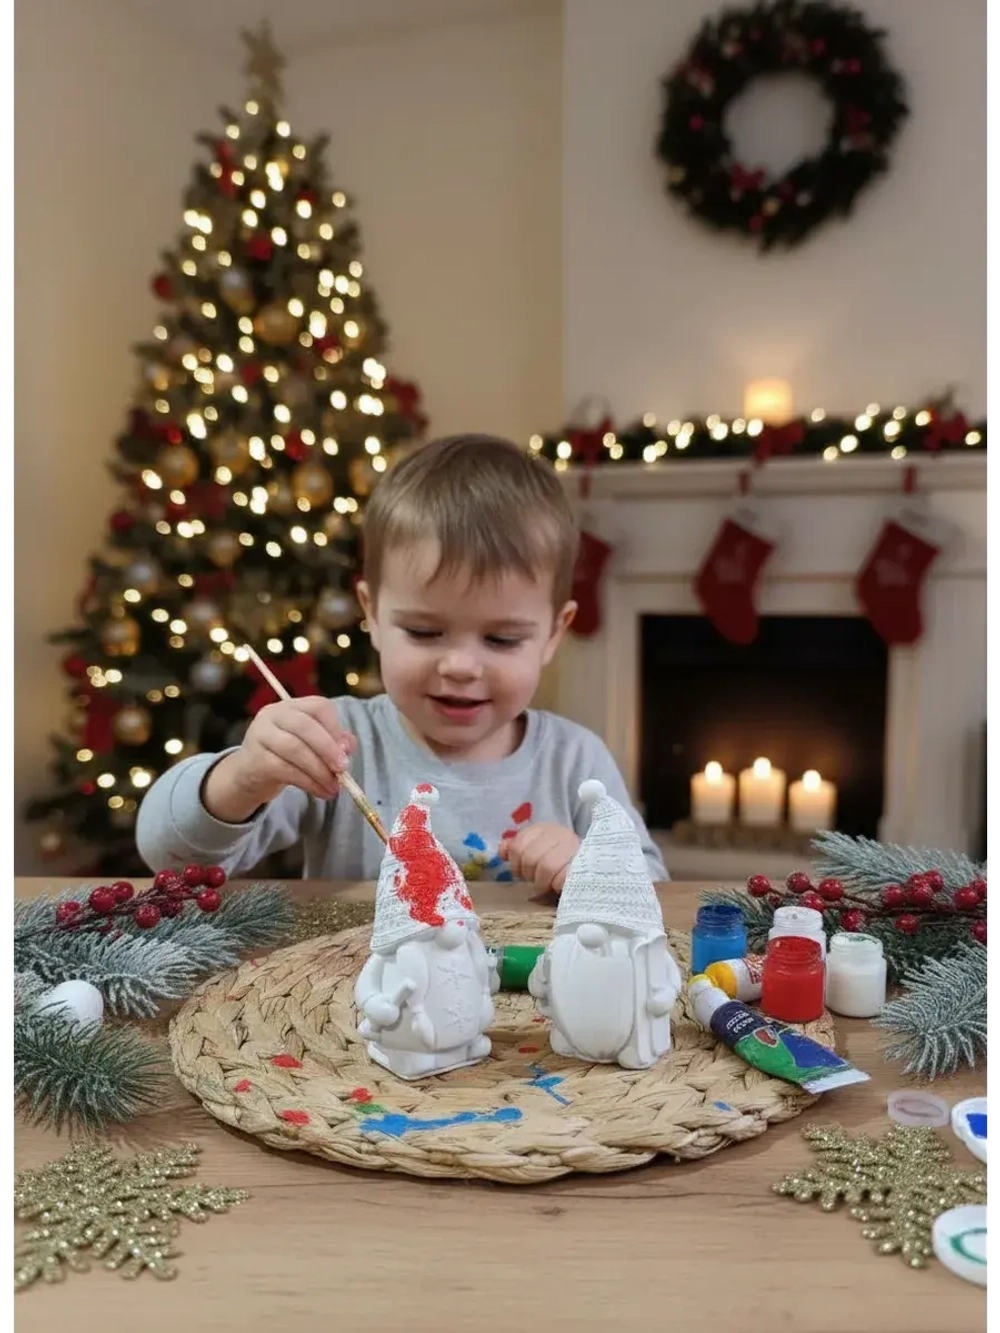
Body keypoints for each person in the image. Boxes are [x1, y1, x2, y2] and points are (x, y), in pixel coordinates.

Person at [136, 435, 667, 891]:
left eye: (502, 639)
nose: (460, 665)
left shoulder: (577, 762)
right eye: (424, 631)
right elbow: (170, 857)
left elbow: (658, 898)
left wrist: (593, 870)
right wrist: (244, 777)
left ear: (553, 634)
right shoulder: (336, 743)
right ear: (371, 613)